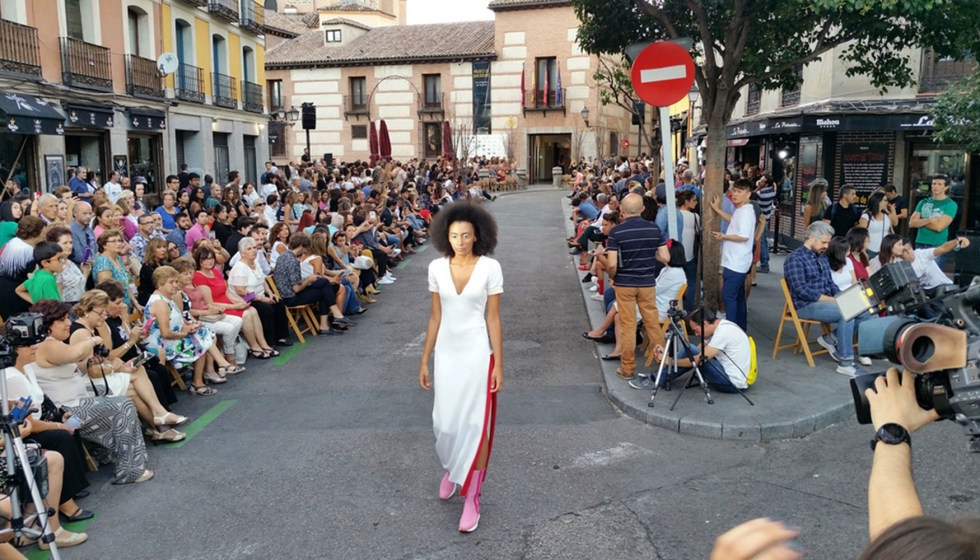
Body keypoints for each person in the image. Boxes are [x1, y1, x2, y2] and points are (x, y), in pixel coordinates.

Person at [418, 202, 503, 533]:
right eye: (454, 235)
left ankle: (473, 497)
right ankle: (454, 468)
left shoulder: (490, 268)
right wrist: (425, 358)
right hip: (447, 354)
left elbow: (493, 317)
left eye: (466, 235)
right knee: (445, 423)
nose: (460, 241)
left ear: (477, 235)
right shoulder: (436, 269)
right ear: (445, 236)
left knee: (474, 424)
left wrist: (499, 363)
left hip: (477, 353)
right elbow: (435, 316)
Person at [29, 299, 153, 484]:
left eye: (67, 319)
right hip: (66, 414)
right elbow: (75, 354)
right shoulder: (46, 344)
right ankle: (129, 471)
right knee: (122, 404)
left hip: (76, 402)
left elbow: (76, 364)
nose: (68, 323)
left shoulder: (53, 343)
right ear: (47, 323)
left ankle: (104, 452)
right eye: (62, 320)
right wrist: (93, 339)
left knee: (123, 391)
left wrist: (93, 362)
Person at [2, 322, 92, 548]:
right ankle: (53, 521)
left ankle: (47, 515)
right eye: (28, 344)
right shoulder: (10, 377)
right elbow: (27, 423)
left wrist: (60, 417)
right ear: (13, 349)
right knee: (59, 442)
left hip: (21, 433)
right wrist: (58, 427)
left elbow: (41, 402)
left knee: (69, 429)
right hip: (19, 438)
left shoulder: (28, 368)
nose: (35, 347)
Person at [69, 290, 187, 442]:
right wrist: (115, 367)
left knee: (137, 374)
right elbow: (92, 370)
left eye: (105, 313)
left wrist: (117, 366)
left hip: (95, 378)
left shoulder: (88, 329)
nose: (104, 317)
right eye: (101, 313)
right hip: (85, 384)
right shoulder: (81, 333)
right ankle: (159, 421)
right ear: (86, 311)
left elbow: (98, 363)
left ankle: (159, 421)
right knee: (133, 385)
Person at [783, 221, 870, 376]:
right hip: (806, 305)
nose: (826, 246)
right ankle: (845, 361)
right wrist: (833, 300)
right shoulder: (794, 259)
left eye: (828, 242)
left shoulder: (822, 258)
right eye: (823, 242)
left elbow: (830, 284)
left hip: (824, 301)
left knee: (864, 310)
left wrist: (841, 297)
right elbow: (801, 290)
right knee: (847, 311)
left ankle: (831, 339)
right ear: (811, 237)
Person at [600, 193, 669, 380]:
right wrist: (649, 255)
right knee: (652, 324)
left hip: (625, 284)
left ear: (622, 209)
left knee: (628, 325)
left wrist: (613, 276)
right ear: (642, 209)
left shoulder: (617, 232)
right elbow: (665, 257)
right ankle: (663, 362)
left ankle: (628, 368)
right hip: (647, 283)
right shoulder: (654, 229)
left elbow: (612, 264)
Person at [143, 266, 222, 396]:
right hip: (163, 345)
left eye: (175, 281)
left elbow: (179, 319)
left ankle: (203, 379)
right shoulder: (160, 303)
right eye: (171, 282)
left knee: (202, 333)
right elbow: (165, 333)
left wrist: (190, 326)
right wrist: (183, 333)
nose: (175, 285)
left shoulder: (168, 298)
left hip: (172, 339)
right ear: (160, 284)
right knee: (202, 339)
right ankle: (201, 380)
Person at [191, 245, 269, 363]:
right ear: (199, 261)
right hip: (217, 306)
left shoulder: (215, 271)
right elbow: (210, 302)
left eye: (211, 258)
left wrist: (238, 301)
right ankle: (254, 347)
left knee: (252, 310)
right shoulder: (198, 276)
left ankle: (263, 343)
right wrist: (234, 306)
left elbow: (226, 291)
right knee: (246, 315)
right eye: (205, 259)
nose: (209, 261)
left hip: (227, 301)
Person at [272, 233, 352, 335]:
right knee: (325, 288)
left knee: (324, 285)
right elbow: (296, 288)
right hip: (291, 297)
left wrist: (308, 279)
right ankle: (334, 317)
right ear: (301, 246)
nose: (306, 251)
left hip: (287, 292)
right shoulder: (292, 261)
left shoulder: (284, 256)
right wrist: (309, 280)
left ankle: (328, 323)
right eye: (305, 248)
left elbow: (293, 281)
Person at [228, 237, 291, 350]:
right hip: (246, 299)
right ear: (242, 253)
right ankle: (268, 341)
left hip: (260, 294)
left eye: (254, 248)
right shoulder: (240, 268)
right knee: (266, 309)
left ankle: (280, 336)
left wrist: (270, 293)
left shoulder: (255, 262)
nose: (253, 251)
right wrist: (261, 299)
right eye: (249, 249)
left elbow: (263, 280)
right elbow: (240, 291)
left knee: (278, 303)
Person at [709, 179, 754, 331]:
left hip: (737, 261)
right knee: (738, 297)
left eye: (739, 191)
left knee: (728, 296)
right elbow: (733, 220)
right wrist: (717, 210)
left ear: (749, 194)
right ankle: (740, 328)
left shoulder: (747, 212)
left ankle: (731, 330)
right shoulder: (742, 210)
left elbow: (743, 236)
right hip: (734, 260)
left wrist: (723, 236)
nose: (735, 194)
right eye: (734, 190)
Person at [0, 216, 45, 320]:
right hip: (16, 295)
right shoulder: (30, 253)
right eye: (42, 232)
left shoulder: (11, 243)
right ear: (35, 234)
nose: (44, 235)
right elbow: (31, 278)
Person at [909, 174, 957, 270]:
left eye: (939, 184)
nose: (935, 186)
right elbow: (912, 223)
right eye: (934, 184)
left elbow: (939, 227)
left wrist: (921, 220)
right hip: (920, 242)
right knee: (919, 273)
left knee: (935, 275)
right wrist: (929, 220)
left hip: (937, 244)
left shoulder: (950, 204)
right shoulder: (923, 202)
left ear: (946, 187)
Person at [92, 229, 137, 309]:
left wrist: (135, 303)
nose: (119, 244)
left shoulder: (118, 258)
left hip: (125, 305)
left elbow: (125, 285)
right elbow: (106, 291)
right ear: (104, 245)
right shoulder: (103, 262)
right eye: (114, 241)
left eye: (119, 241)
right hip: (113, 308)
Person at [859, 191, 896, 258]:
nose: (887, 202)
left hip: (884, 249)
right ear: (878, 201)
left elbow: (894, 225)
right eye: (885, 200)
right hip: (870, 250)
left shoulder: (886, 215)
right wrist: (863, 251)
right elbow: (861, 235)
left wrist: (890, 211)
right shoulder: (866, 216)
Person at [69, 202, 95, 267]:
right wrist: (93, 262)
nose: (88, 216)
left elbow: (96, 249)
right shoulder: (71, 230)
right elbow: (77, 256)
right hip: (79, 268)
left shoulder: (89, 229)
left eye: (90, 213)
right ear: (75, 213)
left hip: (93, 266)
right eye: (84, 213)